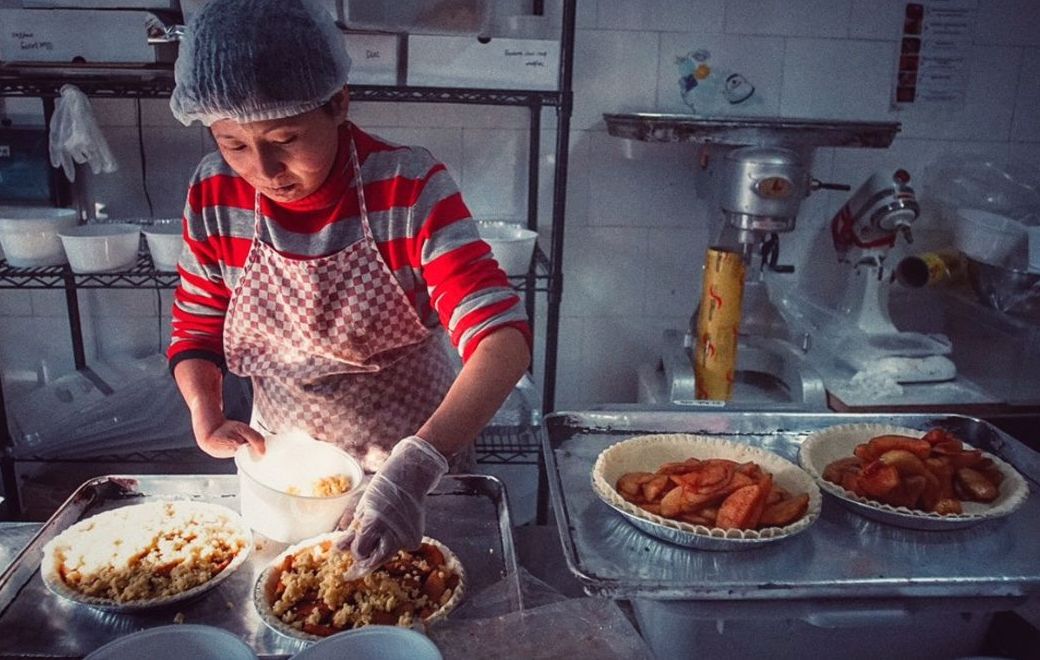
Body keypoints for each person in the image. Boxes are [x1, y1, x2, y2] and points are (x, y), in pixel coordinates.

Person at [166, 0, 531, 578]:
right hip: (290, 476)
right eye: (234, 143)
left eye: (285, 137)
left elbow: (502, 340)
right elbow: (198, 322)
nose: (262, 168)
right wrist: (205, 409)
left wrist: (417, 467)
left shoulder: (408, 187)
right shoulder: (214, 192)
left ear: (339, 103)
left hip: (418, 469)